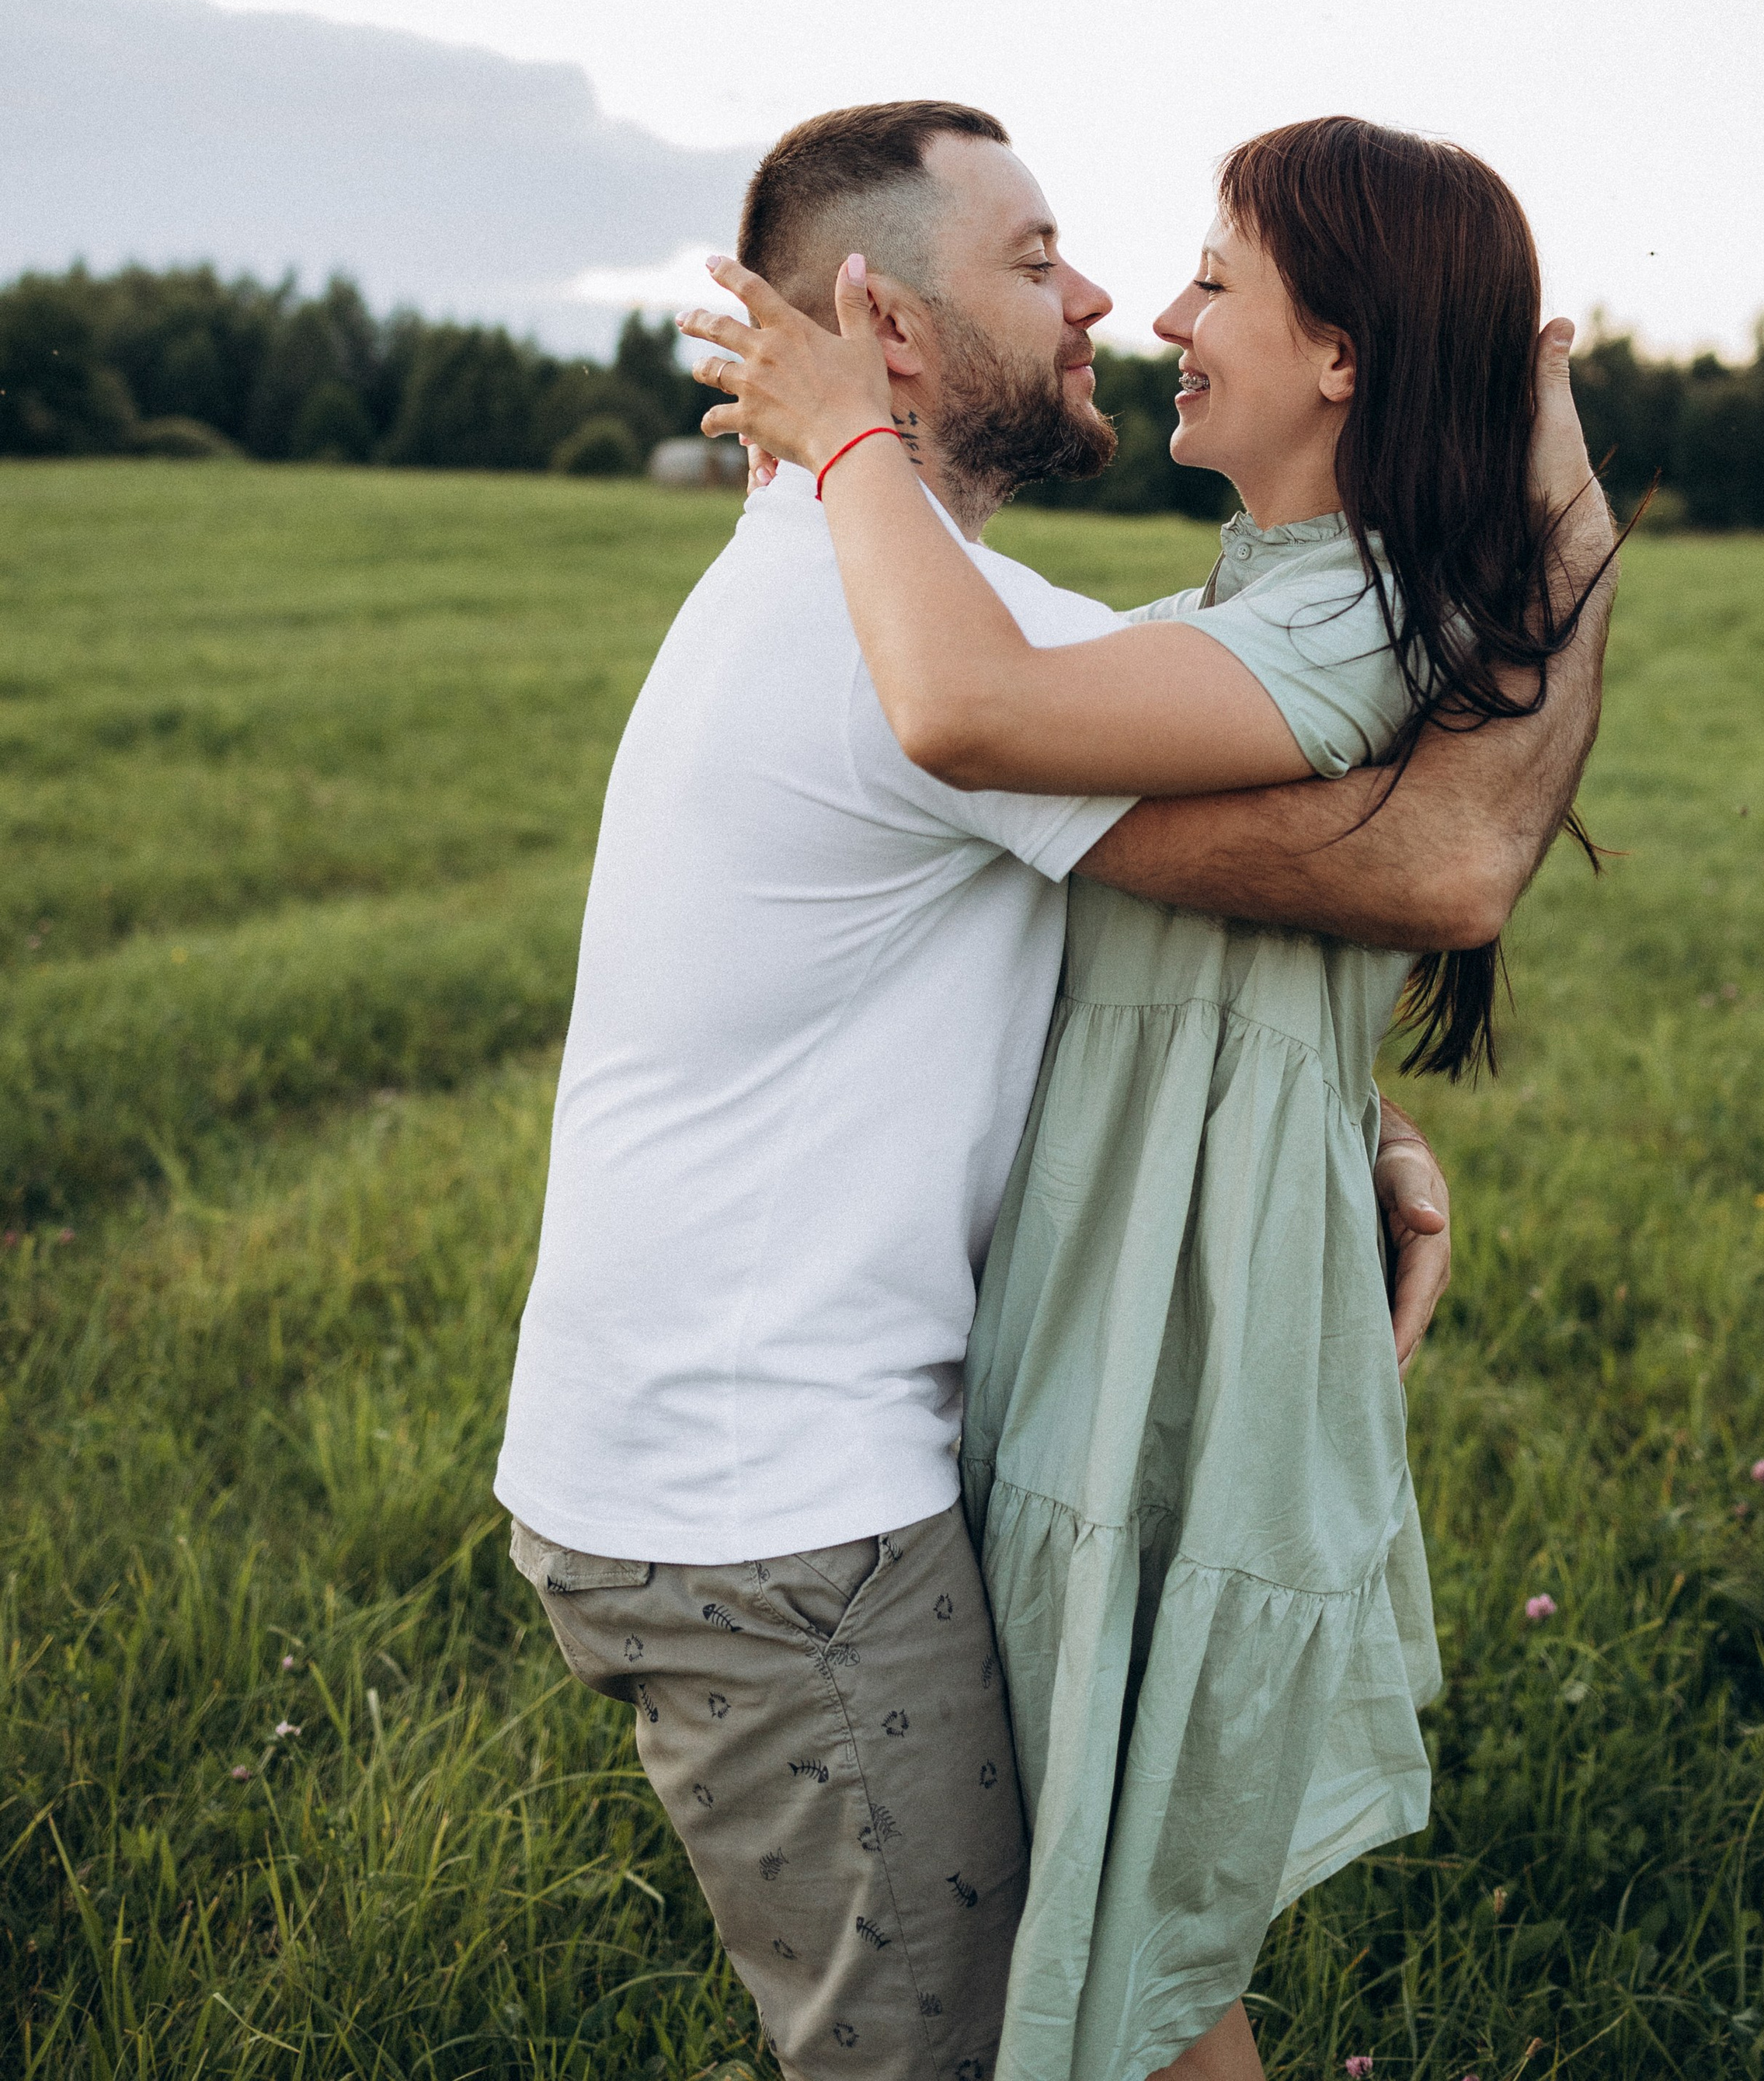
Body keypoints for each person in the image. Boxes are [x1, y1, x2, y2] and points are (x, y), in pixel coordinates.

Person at [497, 102, 1615, 2081]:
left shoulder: (912, 598)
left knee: (1126, 1994)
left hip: (764, 1466)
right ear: (884, 326)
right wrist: (1574, 548)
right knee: (961, 2050)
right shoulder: (907, 645)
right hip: (773, 1507)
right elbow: (1428, 867)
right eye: (1037, 263)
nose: (1106, 297)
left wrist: (1343, 1123)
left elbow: (1197, 932)